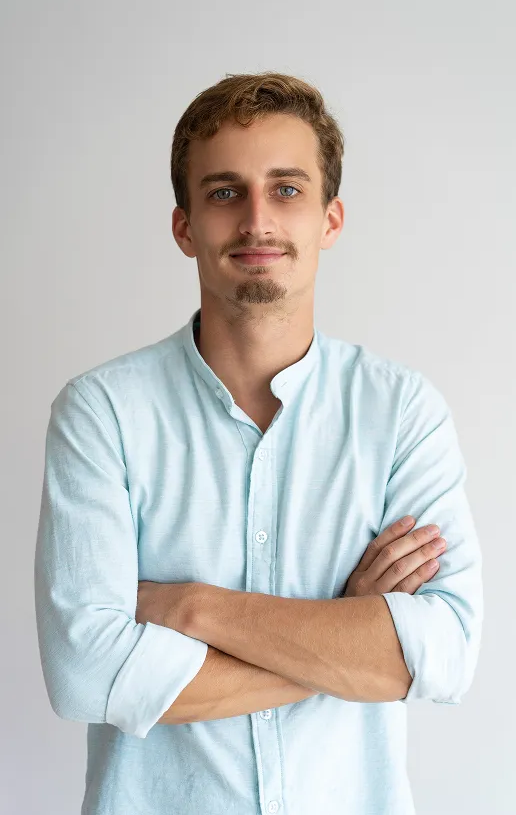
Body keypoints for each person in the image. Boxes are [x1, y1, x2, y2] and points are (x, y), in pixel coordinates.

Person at [34, 71, 483, 815]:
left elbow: (446, 654)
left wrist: (190, 609)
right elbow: (86, 673)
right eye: (223, 192)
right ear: (184, 227)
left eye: (286, 190)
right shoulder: (103, 414)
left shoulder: (401, 412)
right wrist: (345, 634)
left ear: (330, 220)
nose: (255, 221)